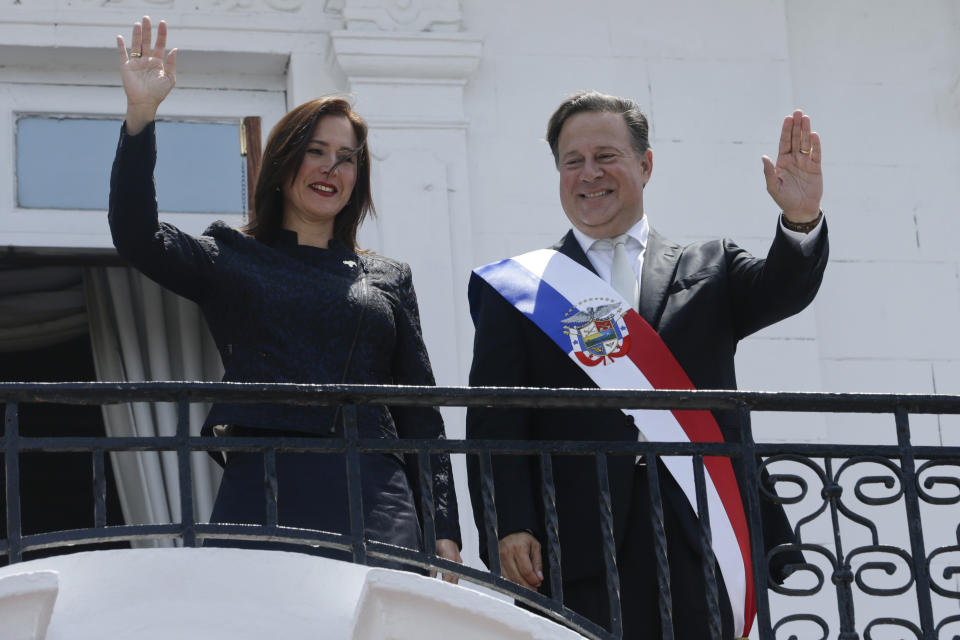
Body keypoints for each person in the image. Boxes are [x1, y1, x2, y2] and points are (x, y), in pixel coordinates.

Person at [466, 90, 827, 637]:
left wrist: (800, 220)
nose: (589, 174)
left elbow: (784, 289)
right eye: (573, 161)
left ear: (645, 164)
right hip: (575, 537)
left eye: (605, 156)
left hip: (698, 525)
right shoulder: (524, 290)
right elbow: (497, 417)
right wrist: (508, 524)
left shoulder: (710, 265)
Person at [110, 16, 461, 577]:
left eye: (346, 158)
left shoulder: (388, 276)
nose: (331, 168)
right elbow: (138, 236)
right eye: (316, 150)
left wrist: (444, 531)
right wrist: (141, 117)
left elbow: (418, 411)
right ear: (281, 165)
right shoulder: (233, 255)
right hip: (266, 482)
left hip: (376, 486)